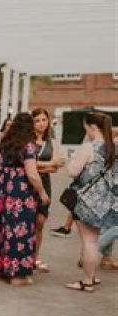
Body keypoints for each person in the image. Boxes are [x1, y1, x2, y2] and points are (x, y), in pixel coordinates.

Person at [0, 113, 50, 286]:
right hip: (19, 194)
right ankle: (17, 275)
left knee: (3, 229)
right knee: (19, 231)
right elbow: (32, 174)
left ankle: (1, 269)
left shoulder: (4, 144)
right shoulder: (28, 146)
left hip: (3, 193)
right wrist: (42, 193)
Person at [65, 111, 117, 292]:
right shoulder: (114, 147)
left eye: (86, 127)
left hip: (86, 201)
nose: (85, 130)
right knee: (93, 241)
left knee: (89, 242)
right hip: (106, 201)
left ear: (92, 127)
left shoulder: (88, 148)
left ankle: (87, 281)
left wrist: (73, 158)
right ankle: (92, 276)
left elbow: (72, 171)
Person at [31, 108, 66, 272]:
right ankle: (24, 257)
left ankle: (35, 257)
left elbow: (56, 167)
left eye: (44, 120)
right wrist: (48, 164)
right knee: (26, 222)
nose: (41, 124)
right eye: (37, 120)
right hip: (28, 184)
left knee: (40, 222)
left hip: (45, 184)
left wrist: (38, 166)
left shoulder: (52, 142)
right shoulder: (28, 141)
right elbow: (27, 165)